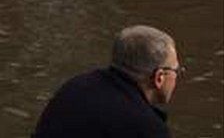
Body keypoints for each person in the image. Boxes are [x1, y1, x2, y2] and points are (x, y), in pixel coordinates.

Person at [33, 25, 182, 138]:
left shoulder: (75, 86)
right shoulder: (146, 127)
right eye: (176, 71)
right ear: (159, 77)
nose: (177, 76)